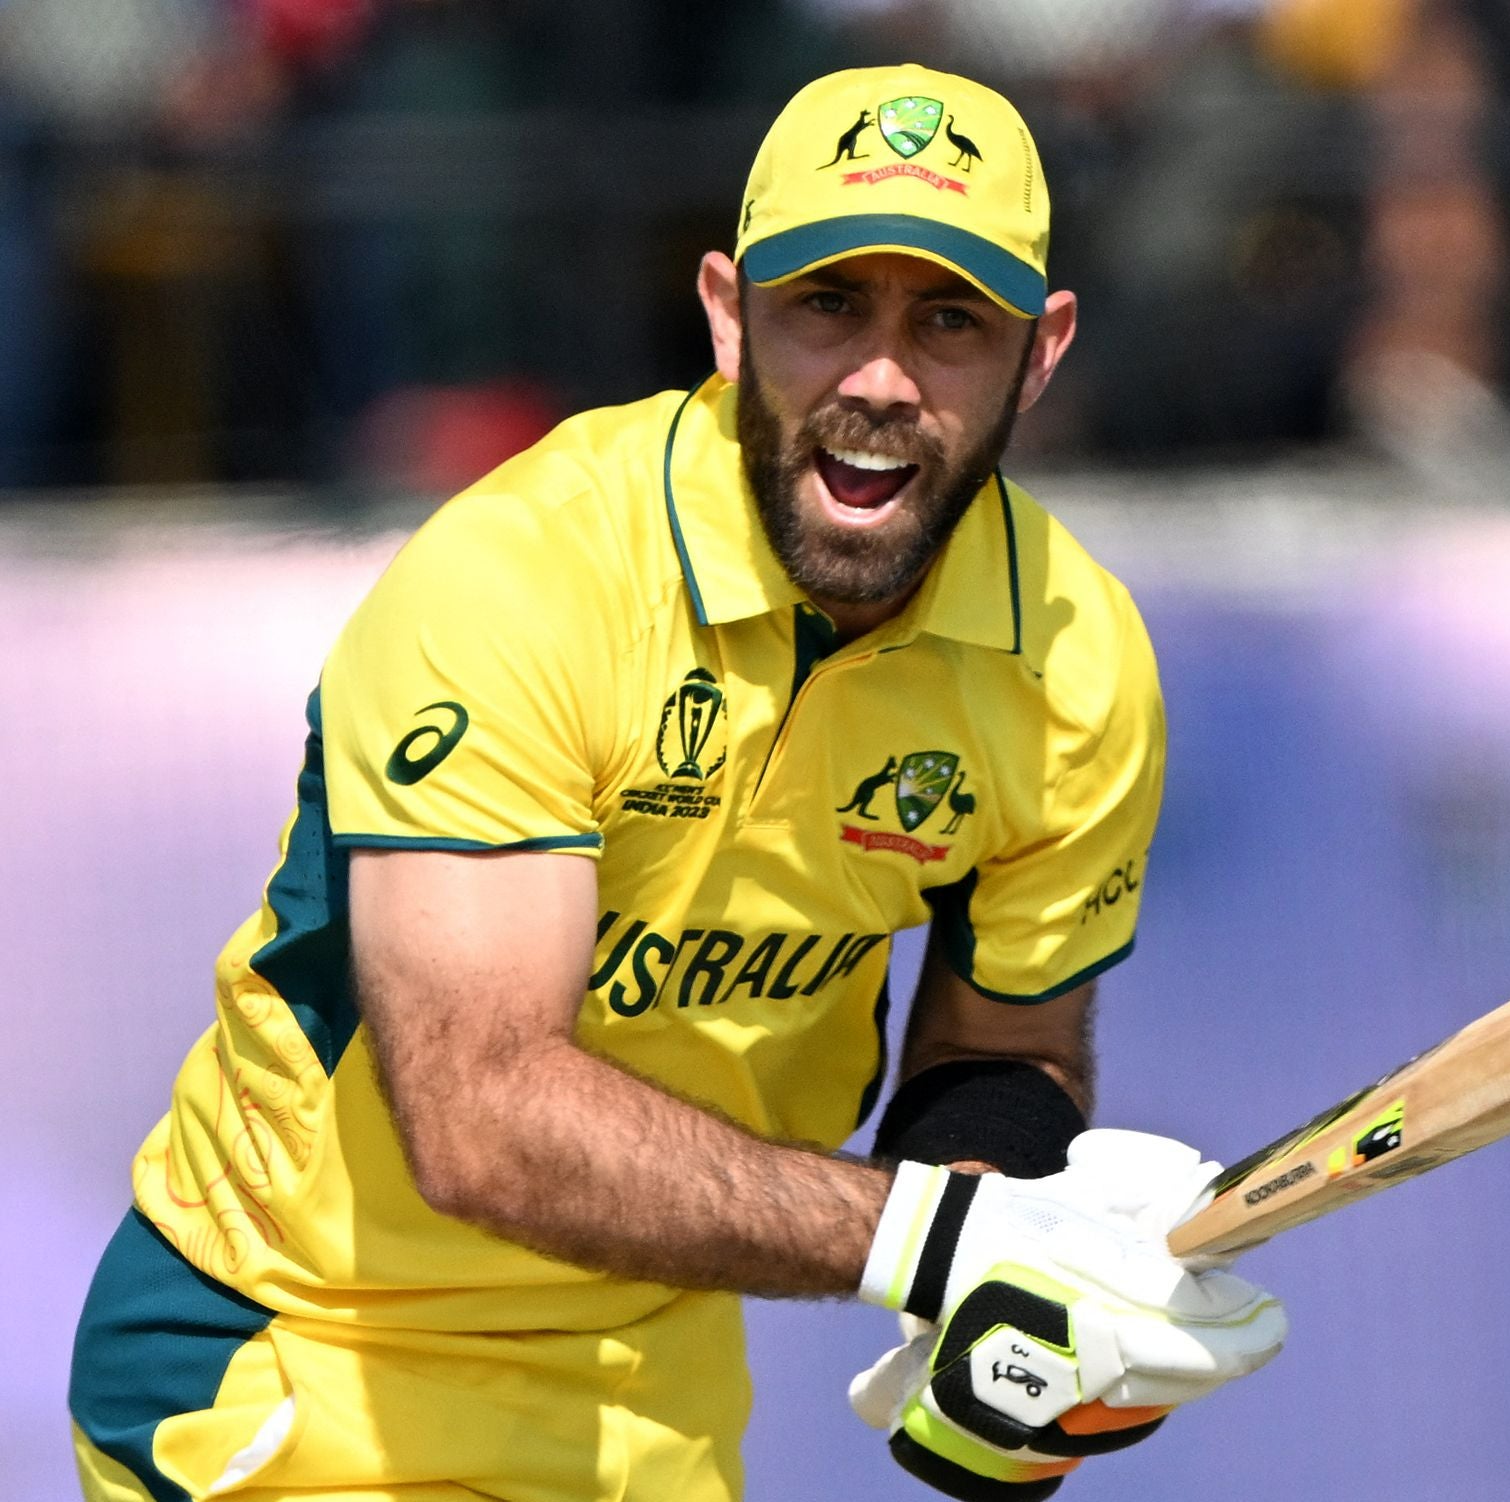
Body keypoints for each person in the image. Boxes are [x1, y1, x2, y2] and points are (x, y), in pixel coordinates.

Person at [68, 62, 1287, 1502]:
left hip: (650, 1409)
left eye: (949, 319)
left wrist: (1008, 1320)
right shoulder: (528, 576)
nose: (880, 380)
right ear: (726, 312)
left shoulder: (1077, 664)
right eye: (827, 304)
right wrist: (934, 1243)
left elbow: (997, 1052)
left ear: (1042, 351)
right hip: (293, 1369)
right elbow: (480, 1118)